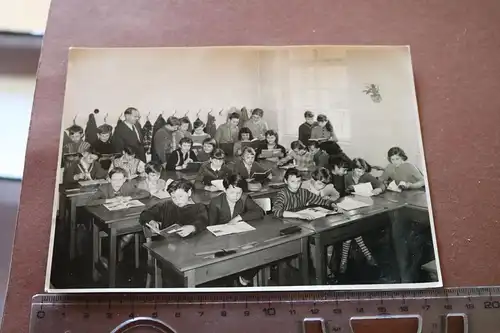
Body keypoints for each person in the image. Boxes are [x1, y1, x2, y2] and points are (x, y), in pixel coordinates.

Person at [208, 174, 265, 286]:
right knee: (227, 263)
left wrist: (239, 217)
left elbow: (259, 212)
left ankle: (244, 279)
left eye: (239, 193)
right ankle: (234, 280)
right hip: (222, 242)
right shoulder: (215, 202)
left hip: (241, 238)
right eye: (232, 193)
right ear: (225, 190)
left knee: (258, 254)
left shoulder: (244, 198)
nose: (235, 196)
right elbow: (210, 227)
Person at [139, 179, 208, 238]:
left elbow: (203, 222)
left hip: (191, 244)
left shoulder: (199, 208)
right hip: (166, 244)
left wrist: (193, 228)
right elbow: (145, 214)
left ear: (189, 192)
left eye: (180, 196)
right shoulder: (167, 205)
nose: (177, 200)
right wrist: (151, 221)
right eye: (174, 197)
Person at [272, 168, 338, 219]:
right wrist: (299, 215)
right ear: (286, 181)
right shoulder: (282, 194)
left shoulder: (304, 192)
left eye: (298, 181)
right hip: (286, 222)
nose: (296, 184)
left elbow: (321, 201)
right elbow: (276, 211)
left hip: (301, 221)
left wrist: (332, 204)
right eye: (292, 181)